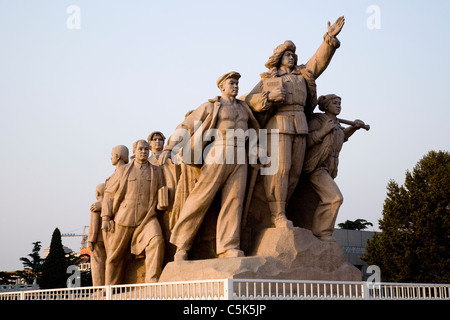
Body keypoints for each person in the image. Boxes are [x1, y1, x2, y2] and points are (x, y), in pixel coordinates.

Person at [245, 16, 345, 228]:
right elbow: (249, 100)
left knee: (294, 173)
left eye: (293, 55)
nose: (291, 58)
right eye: (287, 55)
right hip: (278, 126)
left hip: (300, 125)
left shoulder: (302, 75)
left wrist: (329, 39)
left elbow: (318, 62)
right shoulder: (269, 79)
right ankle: (277, 213)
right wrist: (268, 98)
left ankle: (283, 209)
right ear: (279, 58)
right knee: (279, 170)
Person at [159, 71, 260, 260]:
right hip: (218, 152)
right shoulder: (211, 107)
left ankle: (228, 246)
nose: (235, 86)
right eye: (231, 83)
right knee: (200, 197)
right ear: (221, 87)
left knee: (234, 201)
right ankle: (182, 245)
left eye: (237, 83)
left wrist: (255, 153)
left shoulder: (244, 108)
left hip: (240, 155)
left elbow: (253, 131)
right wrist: (170, 147)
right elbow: (186, 126)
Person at [101, 140, 166, 284]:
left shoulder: (156, 171)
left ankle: (152, 282)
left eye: (146, 149)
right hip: (125, 217)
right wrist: (105, 217)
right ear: (134, 151)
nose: (143, 152)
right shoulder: (123, 170)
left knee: (157, 241)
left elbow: (162, 189)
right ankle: (110, 288)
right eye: (141, 149)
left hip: (147, 217)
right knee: (115, 256)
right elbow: (109, 194)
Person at [303, 94, 366, 241]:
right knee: (334, 198)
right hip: (317, 166)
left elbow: (341, 137)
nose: (338, 105)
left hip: (331, 167)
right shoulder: (318, 121)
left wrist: (354, 128)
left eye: (339, 103)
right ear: (326, 106)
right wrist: (323, 131)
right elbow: (305, 141)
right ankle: (322, 232)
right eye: (335, 103)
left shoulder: (336, 123)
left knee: (320, 199)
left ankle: (314, 230)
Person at [88, 183, 106, 286]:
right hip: (108, 240)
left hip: (97, 240)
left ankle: (99, 288)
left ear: (98, 193)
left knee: (97, 263)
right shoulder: (109, 205)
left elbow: (94, 225)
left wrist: (91, 239)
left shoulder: (96, 206)